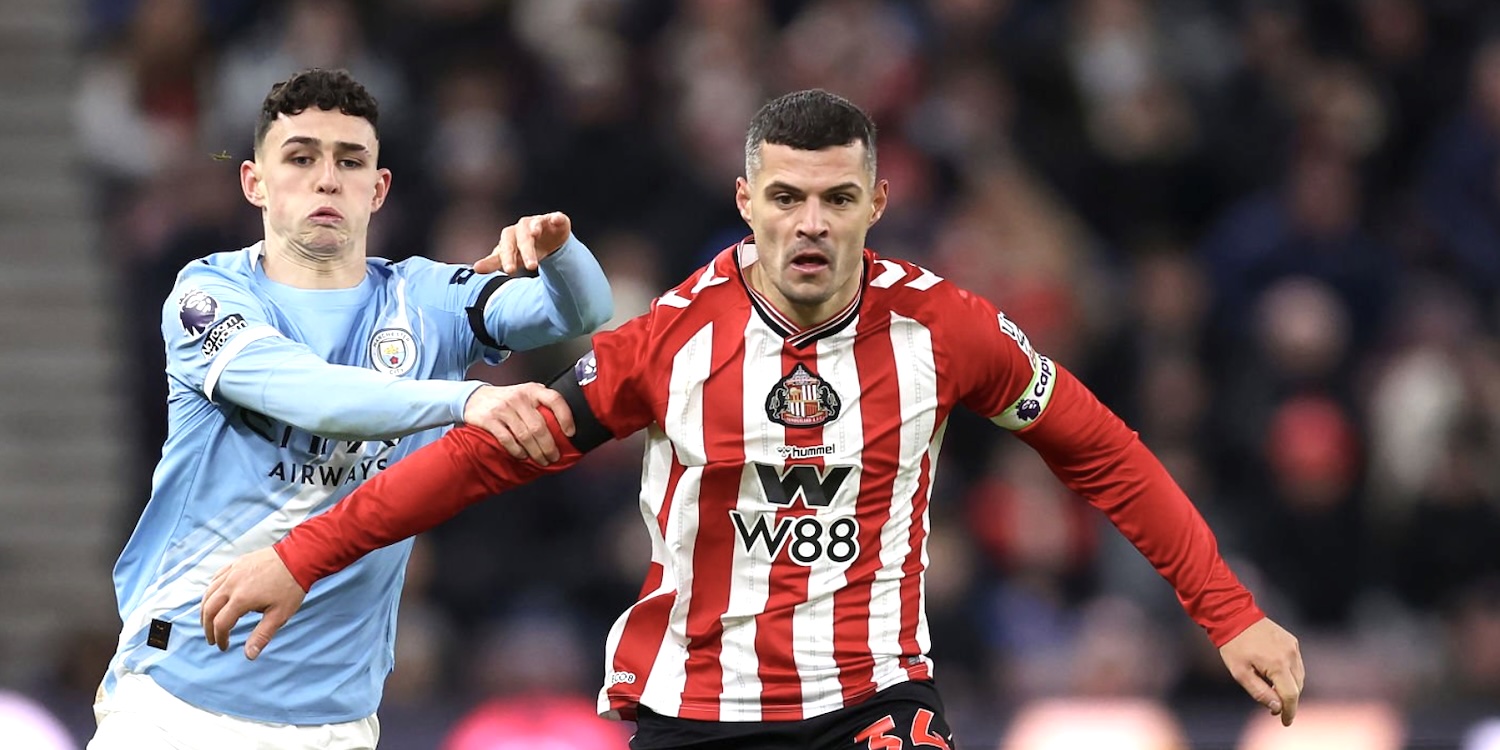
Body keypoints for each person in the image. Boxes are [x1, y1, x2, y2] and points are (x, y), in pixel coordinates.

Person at [202, 89, 1305, 749]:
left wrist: (1229, 613)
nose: (811, 224)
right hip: (693, 715)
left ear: (877, 203)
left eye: (837, 198)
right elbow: (484, 458)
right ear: (747, 203)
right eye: (786, 198)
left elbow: (1101, 452)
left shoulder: (949, 330)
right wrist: (306, 555)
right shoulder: (667, 343)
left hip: (872, 700)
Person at [90, 67, 614, 749]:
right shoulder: (206, 294)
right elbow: (308, 394)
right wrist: (468, 398)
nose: (327, 179)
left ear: (378, 186)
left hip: (335, 721)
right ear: (254, 182)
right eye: (301, 158)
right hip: (178, 703)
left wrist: (560, 252)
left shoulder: (427, 299)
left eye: (350, 160)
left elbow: (582, 310)